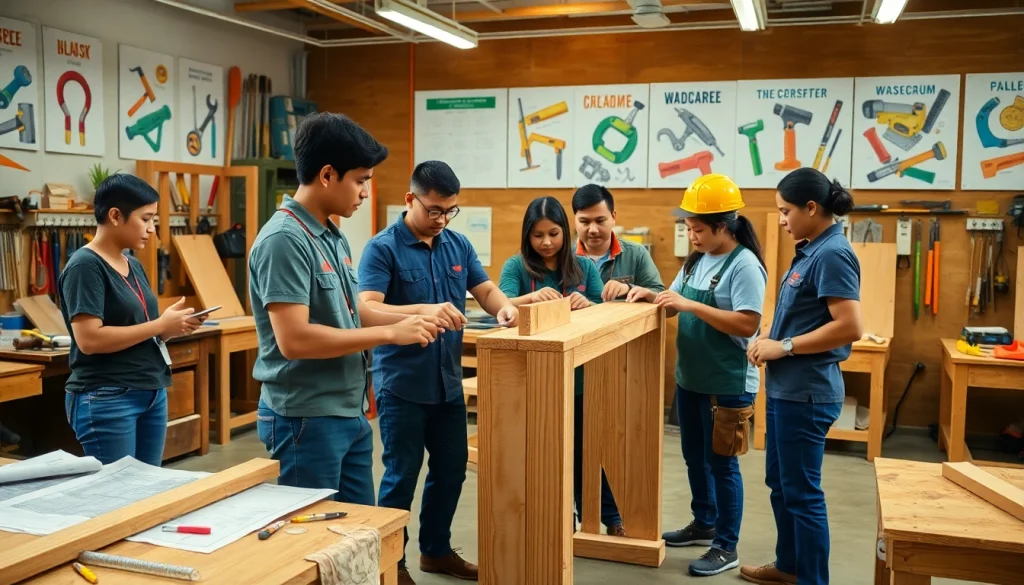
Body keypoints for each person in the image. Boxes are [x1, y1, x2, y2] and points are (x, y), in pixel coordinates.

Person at [249, 113, 441, 507]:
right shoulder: (284, 240)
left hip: (346, 410)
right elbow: (294, 339)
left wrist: (414, 313)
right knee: (314, 542)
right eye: (360, 180)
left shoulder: (331, 235)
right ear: (326, 175)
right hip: (306, 417)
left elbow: (350, 311)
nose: (365, 192)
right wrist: (390, 334)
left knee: (359, 533)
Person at [358, 160, 518, 585]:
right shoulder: (383, 248)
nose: (442, 220)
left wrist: (504, 307)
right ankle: (391, 564)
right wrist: (423, 309)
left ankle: (436, 551)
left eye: (450, 211)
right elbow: (367, 309)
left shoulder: (458, 245)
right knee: (400, 477)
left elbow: (483, 289)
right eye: (433, 210)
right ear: (410, 200)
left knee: (451, 470)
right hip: (402, 387)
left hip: (447, 386)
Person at [627, 174, 767, 577]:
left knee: (722, 463)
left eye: (698, 229)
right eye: (688, 228)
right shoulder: (698, 260)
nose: (691, 235)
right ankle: (704, 522)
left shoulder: (744, 265)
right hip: (690, 379)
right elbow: (674, 304)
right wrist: (647, 295)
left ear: (724, 226)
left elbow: (746, 325)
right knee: (694, 457)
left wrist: (690, 306)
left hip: (727, 383)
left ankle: (726, 545)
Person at [743, 168, 862, 585]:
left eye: (785, 211)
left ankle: (812, 579)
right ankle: (790, 566)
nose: (781, 220)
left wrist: (786, 346)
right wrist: (770, 335)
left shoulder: (832, 253)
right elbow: (804, 314)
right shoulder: (811, 248)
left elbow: (849, 326)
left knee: (803, 494)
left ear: (812, 208)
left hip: (807, 395)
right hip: (786, 389)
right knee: (782, 484)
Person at [59, 174, 206, 466]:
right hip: (109, 396)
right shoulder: (85, 266)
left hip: (150, 391)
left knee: (146, 494)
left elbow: (140, 331)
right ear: (115, 215)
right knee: (118, 499)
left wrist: (171, 328)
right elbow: (89, 340)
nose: (152, 230)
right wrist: (160, 325)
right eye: (146, 219)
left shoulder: (132, 264)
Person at [497, 196, 624, 536]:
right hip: (535, 383)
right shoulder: (516, 267)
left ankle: (609, 519)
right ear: (527, 236)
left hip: (582, 379)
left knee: (587, 453)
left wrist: (589, 303)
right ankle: (558, 520)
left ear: (565, 233)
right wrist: (530, 299)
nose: (547, 243)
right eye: (538, 236)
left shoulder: (583, 267)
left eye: (553, 233)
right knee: (546, 456)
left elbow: (604, 306)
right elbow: (502, 304)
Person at [572, 184, 664, 300]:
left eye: (600, 221)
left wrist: (629, 288)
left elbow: (659, 295)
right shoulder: (564, 257)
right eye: (584, 222)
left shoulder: (636, 254)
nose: (593, 230)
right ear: (575, 220)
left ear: (613, 217)